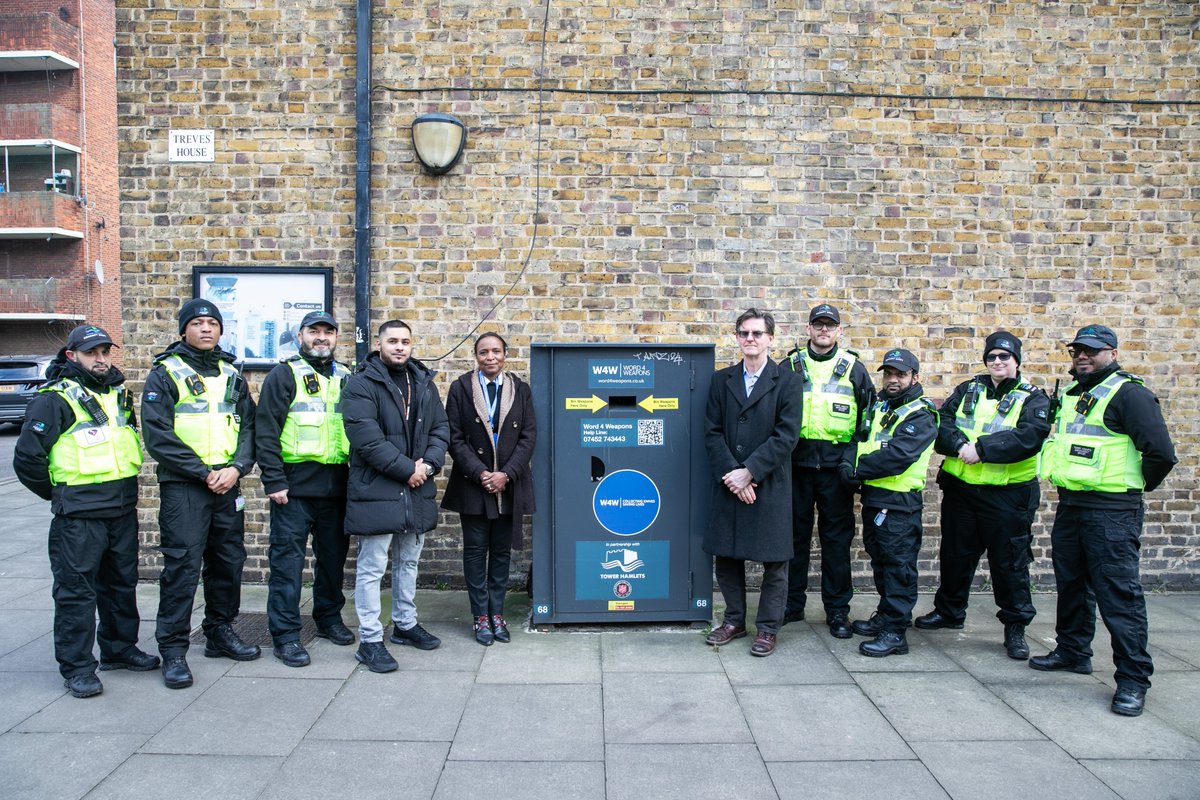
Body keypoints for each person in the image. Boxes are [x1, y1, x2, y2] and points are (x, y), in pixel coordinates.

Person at [1033, 324, 1177, 717]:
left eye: (1092, 351)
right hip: (1073, 505)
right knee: (1073, 584)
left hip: (1113, 511)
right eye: (1078, 350)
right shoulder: (1075, 393)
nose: (1083, 356)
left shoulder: (1129, 393)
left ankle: (1132, 680)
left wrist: (1134, 488)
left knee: (1119, 595)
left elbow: (1161, 453)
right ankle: (1073, 651)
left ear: (1112, 353)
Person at [13, 324, 159, 697]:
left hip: (121, 508)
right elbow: (28, 459)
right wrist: (59, 495)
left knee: (121, 585)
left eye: (105, 352)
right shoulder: (55, 398)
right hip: (78, 514)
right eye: (92, 353)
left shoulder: (117, 393)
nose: (100, 359)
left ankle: (119, 648)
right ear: (71, 356)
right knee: (76, 592)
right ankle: (78, 667)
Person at [142, 299, 258, 689]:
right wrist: (204, 472)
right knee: (182, 567)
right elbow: (158, 436)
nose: (206, 329)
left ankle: (219, 632)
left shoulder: (232, 373)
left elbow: (249, 429)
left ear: (221, 331)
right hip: (185, 487)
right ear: (183, 331)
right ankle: (173, 649)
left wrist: (237, 468)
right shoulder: (165, 373)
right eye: (197, 323)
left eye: (212, 323)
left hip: (228, 485)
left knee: (228, 561)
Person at [915, 332, 1050, 660]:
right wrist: (961, 445)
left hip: (1008, 496)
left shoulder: (1033, 398)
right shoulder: (968, 389)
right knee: (955, 555)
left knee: (1009, 563)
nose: (998, 362)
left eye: (1005, 357)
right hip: (962, 490)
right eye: (992, 357)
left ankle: (1015, 626)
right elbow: (941, 422)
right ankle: (949, 611)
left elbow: (1029, 437)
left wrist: (983, 450)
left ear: (1016, 360)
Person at [342, 319, 449, 673]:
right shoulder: (360, 384)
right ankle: (370, 640)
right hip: (379, 490)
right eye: (392, 341)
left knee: (409, 562)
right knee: (372, 568)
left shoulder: (423, 383)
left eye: (405, 341)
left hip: (416, 489)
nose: (399, 347)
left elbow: (440, 429)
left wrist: (429, 466)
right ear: (379, 343)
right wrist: (409, 470)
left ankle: (405, 624)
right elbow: (367, 441)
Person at [255, 311, 356, 667]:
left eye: (328, 332)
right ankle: (285, 634)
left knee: (332, 562)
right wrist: (274, 480)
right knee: (287, 565)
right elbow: (265, 430)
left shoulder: (347, 376)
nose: (321, 337)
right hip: (293, 489)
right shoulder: (283, 375)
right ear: (301, 336)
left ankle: (328, 618)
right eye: (314, 331)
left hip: (337, 487)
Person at [703, 308, 803, 658]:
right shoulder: (721, 380)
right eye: (744, 333)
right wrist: (734, 474)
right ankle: (733, 621)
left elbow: (786, 435)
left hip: (769, 483)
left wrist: (752, 471)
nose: (750, 339)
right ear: (737, 338)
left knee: (775, 561)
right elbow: (712, 432)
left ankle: (767, 629)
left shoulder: (788, 381)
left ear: (770, 339)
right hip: (731, 482)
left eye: (757, 334)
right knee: (727, 556)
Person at [782, 303, 875, 638]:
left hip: (837, 470)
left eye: (829, 325)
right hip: (796, 466)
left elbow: (868, 423)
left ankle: (837, 611)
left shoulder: (854, 369)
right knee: (794, 541)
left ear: (839, 331)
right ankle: (791, 606)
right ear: (808, 329)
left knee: (836, 544)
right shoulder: (791, 364)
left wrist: (853, 463)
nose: (823, 330)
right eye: (818, 325)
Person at [840, 348, 937, 658]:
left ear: (915, 377)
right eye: (889, 373)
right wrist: (846, 464)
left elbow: (899, 456)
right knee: (881, 562)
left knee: (899, 567)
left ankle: (896, 631)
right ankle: (885, 614)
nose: (893, 379)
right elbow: (859, 438)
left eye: (901, 374)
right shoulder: (880, 405)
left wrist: (857, 470)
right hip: (875, 498)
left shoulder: (920, 413)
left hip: (899, 504)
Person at [441, 333, 537, 646]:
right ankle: (479, 615)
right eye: (484, 352)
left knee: (500, 552)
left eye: (496, 351)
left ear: (505, 355)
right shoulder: (460, 388)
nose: (490, 357)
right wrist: (481, 472)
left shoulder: (520, 390)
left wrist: (506, 474)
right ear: (476, 356)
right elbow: (454, 438)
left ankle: (497, 613)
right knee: (475, 551)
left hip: (508, 486)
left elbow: (528, 436)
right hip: (474, 485)